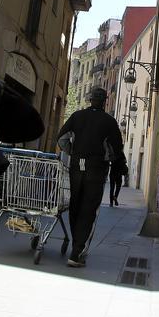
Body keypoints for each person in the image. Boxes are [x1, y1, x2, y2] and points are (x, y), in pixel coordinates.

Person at [56, 88, 124, 267]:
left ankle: (75, 244)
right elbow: (116, 149)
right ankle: (77, 252)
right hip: (96, 169)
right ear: (105, 102)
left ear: (89, 99)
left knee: (75, 205)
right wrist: (107, 159)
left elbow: (62, 139)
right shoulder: (109, 122)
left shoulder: (77, 116)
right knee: (89, 209)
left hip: (76, 167)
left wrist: (74, 153)